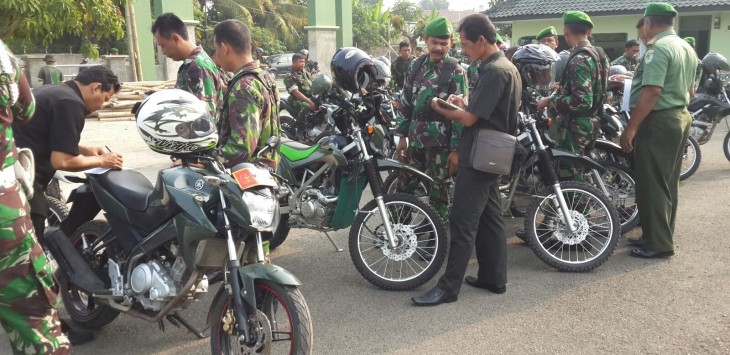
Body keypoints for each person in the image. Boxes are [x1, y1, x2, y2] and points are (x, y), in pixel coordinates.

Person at [411, 13, 521, 306]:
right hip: (494, 152)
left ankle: (448, 288)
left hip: (480, 153)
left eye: (465, 44)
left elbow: (470, 118)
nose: (463, 49)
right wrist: (462, 103)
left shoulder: (493, 70)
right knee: (490, 219)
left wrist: (441, 106)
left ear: (482, 41)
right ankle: (494, 277)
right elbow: (483, 109)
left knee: (463, 221)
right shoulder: (505, 66)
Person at [0, 39, 71, 355]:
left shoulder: (47, 77)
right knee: (38, 334)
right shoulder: (4, 57)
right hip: (5, 220)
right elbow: (26, 109)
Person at [619, 3, 700, 259]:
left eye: (643, 26)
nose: (642, 32)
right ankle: (657, 235)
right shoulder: (686, 47)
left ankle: (658, 243)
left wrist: (631, 128)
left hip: (659, 120)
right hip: (679, 116)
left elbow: (652, 91)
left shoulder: (658, 48)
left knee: (652, 182)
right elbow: (691, 90)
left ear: (649, 23)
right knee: (667, 182)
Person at [14, 65, 123, 243]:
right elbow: (62, 162)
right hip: (20, 178)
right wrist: (101, 160)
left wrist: (82, 149)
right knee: (32, 234)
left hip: (14, 164)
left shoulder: (54, 91)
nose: (101, 106)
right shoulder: (71, 103)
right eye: (105, 98)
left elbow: (44, 132)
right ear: (95, 87)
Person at [395, 16, 467, 222]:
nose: (438, 48)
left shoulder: (456, 70)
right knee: (404, 187)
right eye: (434, 42)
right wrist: (401, 137)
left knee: (439, 195)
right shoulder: (415, 65)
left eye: (444, 43)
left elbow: (460, 114)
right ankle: (399, 232)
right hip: (415, 142)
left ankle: (436, 239)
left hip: (441, 147)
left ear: (451, 43)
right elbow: (405, 102)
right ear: (426, 40)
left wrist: (456, 150)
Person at [537, 11, 609, 160]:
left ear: (565, 31)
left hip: (576, 128)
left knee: (570, 177)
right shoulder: (600, 55)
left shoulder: (579, 59)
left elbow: (582, 101)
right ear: (589, 31)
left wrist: (551, 101)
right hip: (592, 123)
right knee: (582, 169)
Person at [213, 20, 280, 169]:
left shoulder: (244, 86)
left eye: (216, 49)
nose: (216, 55)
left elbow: (241, 149)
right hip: (267, 170)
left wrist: (204, 161)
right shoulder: (265, 76)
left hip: (248, 177)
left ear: (224, 48)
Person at [152, 12, 222, 121]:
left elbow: (205, 118)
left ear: (176, 38)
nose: (163, 52)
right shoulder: (190, 65)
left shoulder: (198, 67)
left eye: (163, 45)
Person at [284, 53, 315, 123]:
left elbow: (314, 82)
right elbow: (296, 93)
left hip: (309, 96)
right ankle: (301, 126)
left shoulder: (305, 72)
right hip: (297, 99)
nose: (303, 64)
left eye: (304, 62)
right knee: (306, 106)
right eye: (300, 62)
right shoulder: (290, 75)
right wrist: (309, 101)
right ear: (294, 63)